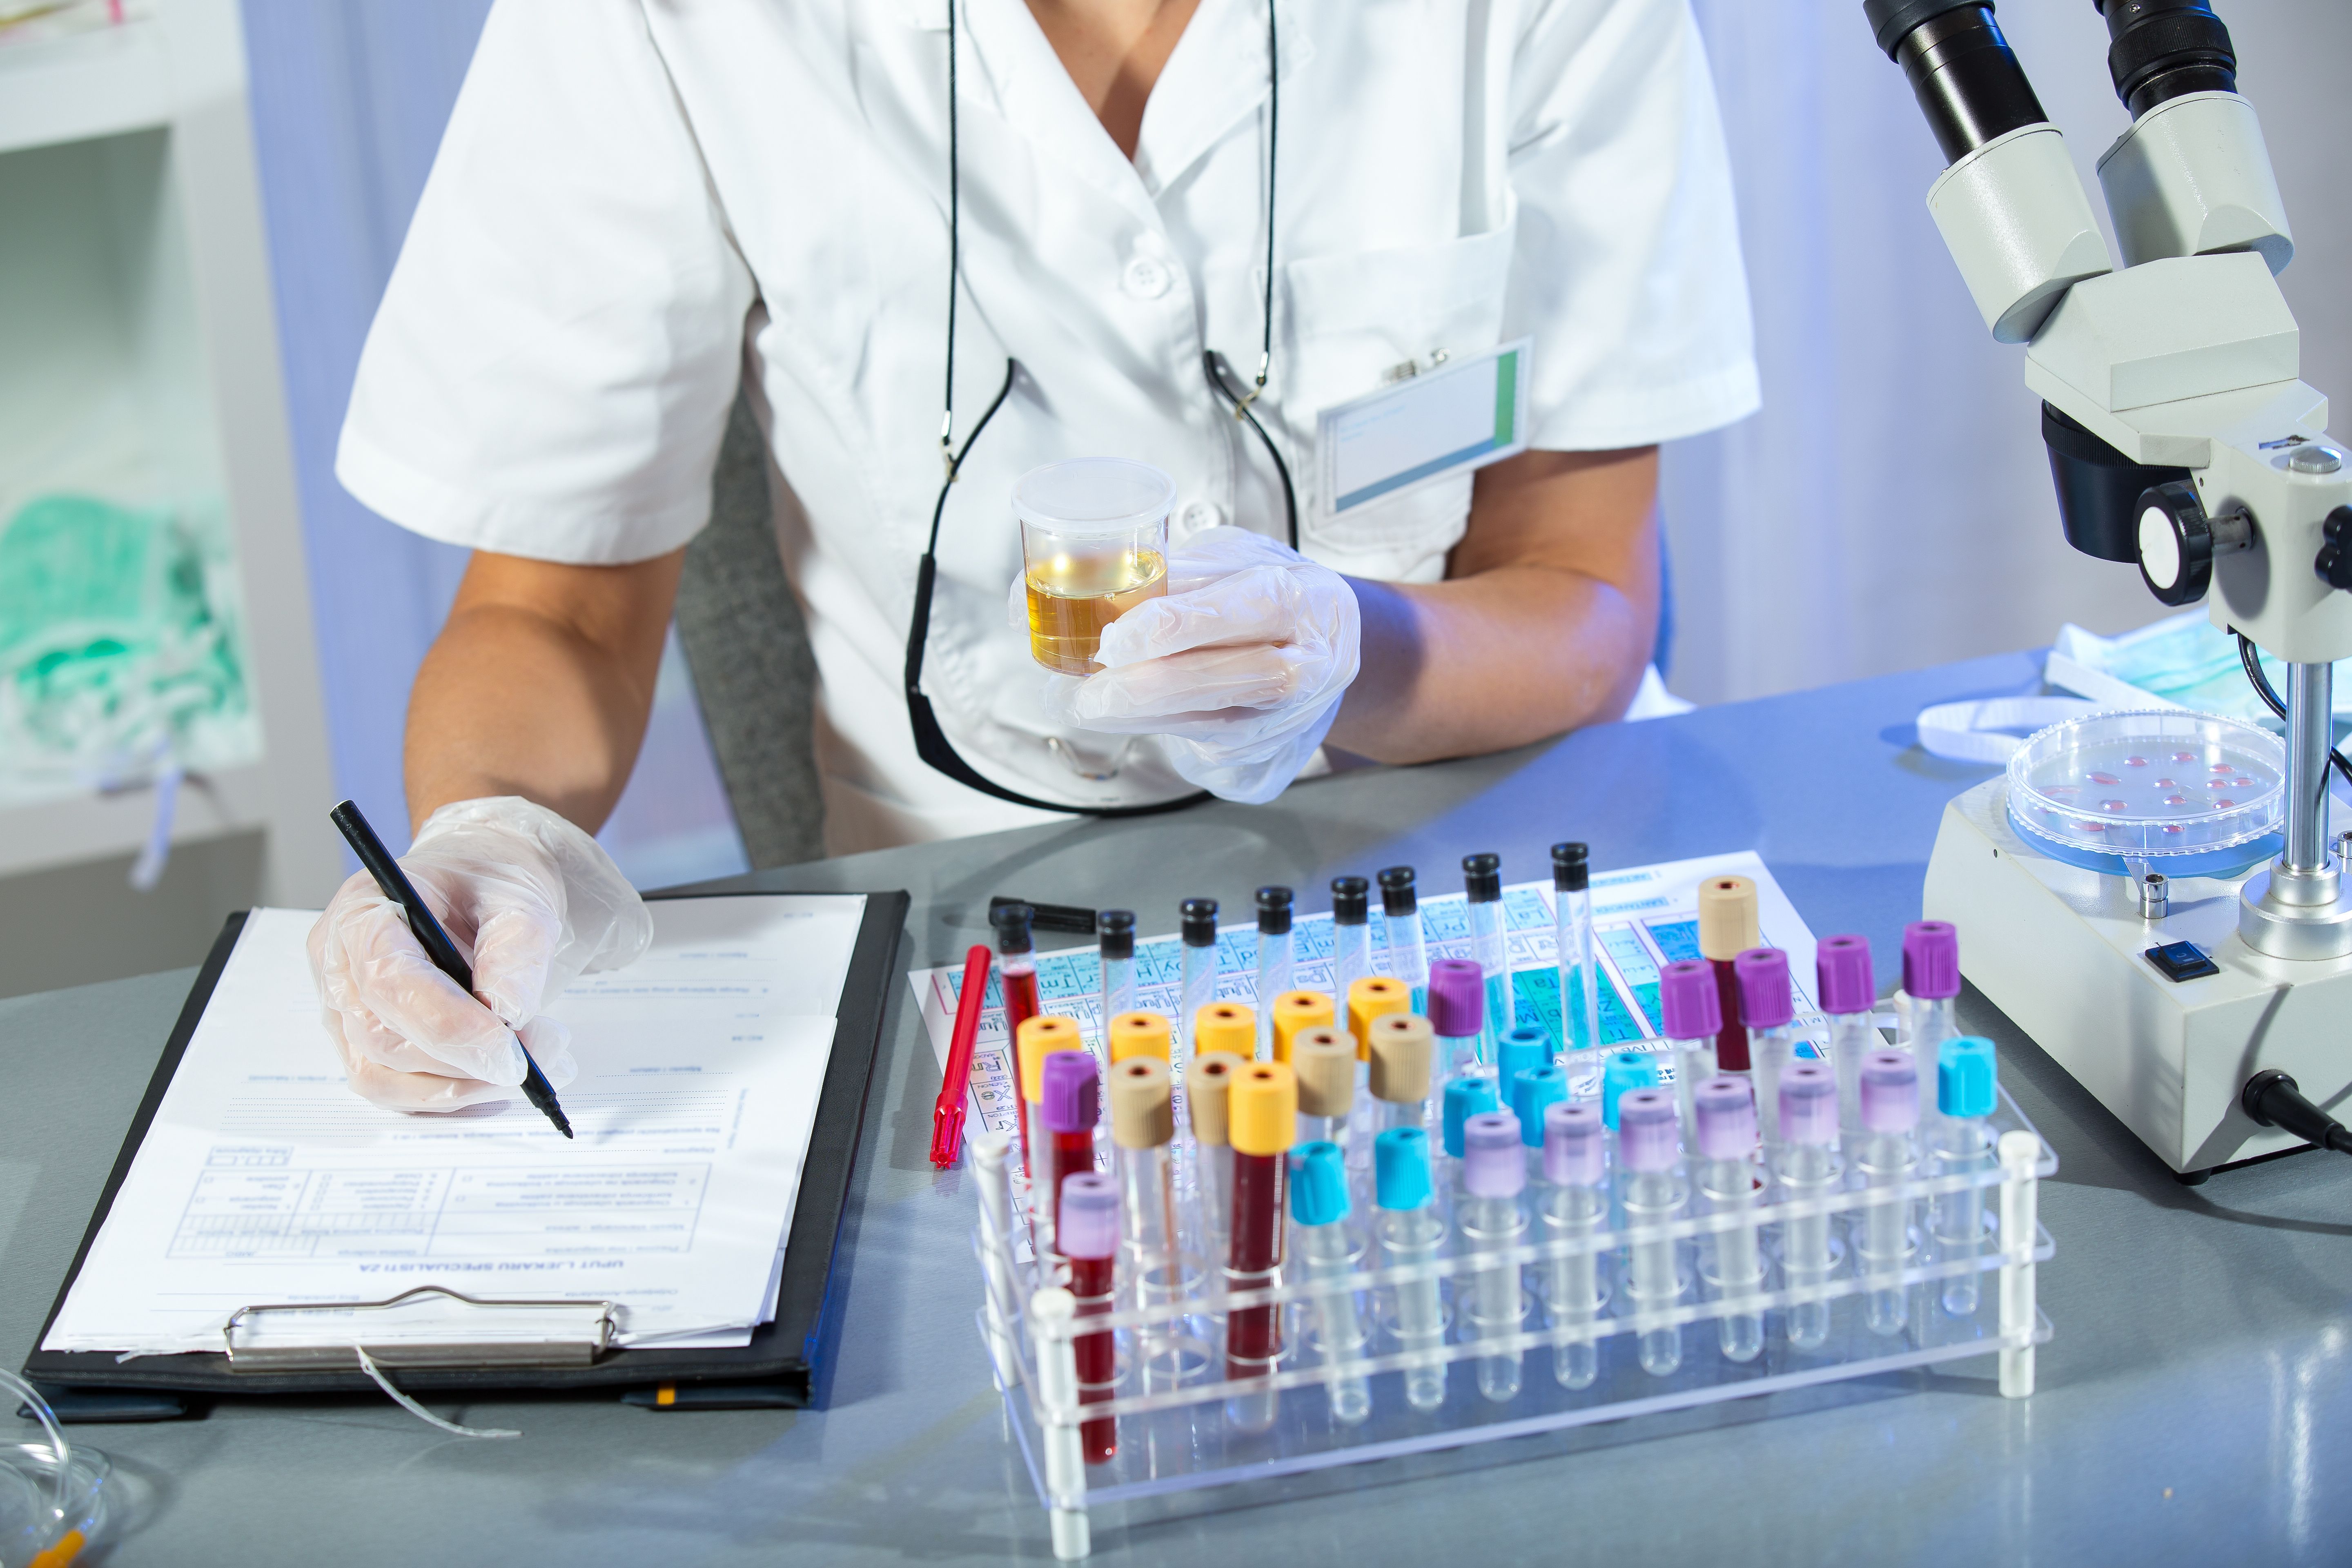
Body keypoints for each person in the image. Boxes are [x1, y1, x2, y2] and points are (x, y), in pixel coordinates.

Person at [309, 0, 1757, 1110]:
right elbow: (556, 607)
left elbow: (1586, 588)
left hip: (1465, 883)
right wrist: (486, 844)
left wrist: (1353, 656)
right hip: (975, 945)